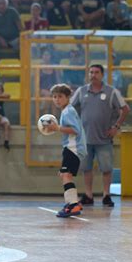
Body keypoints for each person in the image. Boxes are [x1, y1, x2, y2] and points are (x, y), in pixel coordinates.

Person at [71, 64, 130, 207]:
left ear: (102, 75)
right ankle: (89, 195)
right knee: (86, 168)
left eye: (96, 72)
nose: (93, 75)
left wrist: (116, 127)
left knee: (106, 168)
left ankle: (106, 195)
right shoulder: (81, 91)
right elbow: (71, 109)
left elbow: (125, 109)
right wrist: (75, 127)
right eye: (91, 72)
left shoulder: (111, 92)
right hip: (85, 139)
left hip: (104, 138)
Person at [45, 83, 87, 217]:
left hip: (73, 148)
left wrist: (57, 128)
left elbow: (75, 130)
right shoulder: (66, 110)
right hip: (71, 148)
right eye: (54, 97)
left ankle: (73, 205)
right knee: (65, 175)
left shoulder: (68, 111)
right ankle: (72, 203)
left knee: (66, 175)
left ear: (68, 97)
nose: (57, 99)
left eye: (60, 96)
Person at [39, 49, 61, 117]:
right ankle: (45, 118)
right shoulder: (38, 68)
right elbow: (36, 84)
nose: (46, 57)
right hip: (42, 90)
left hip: (53, 90)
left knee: (53, 98)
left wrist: (58, 90)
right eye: (44, 55)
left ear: (50, 56)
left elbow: (58, 82)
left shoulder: (54, 68)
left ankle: (54, 120)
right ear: (42, 56)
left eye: (47, 55)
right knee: (48, 96)